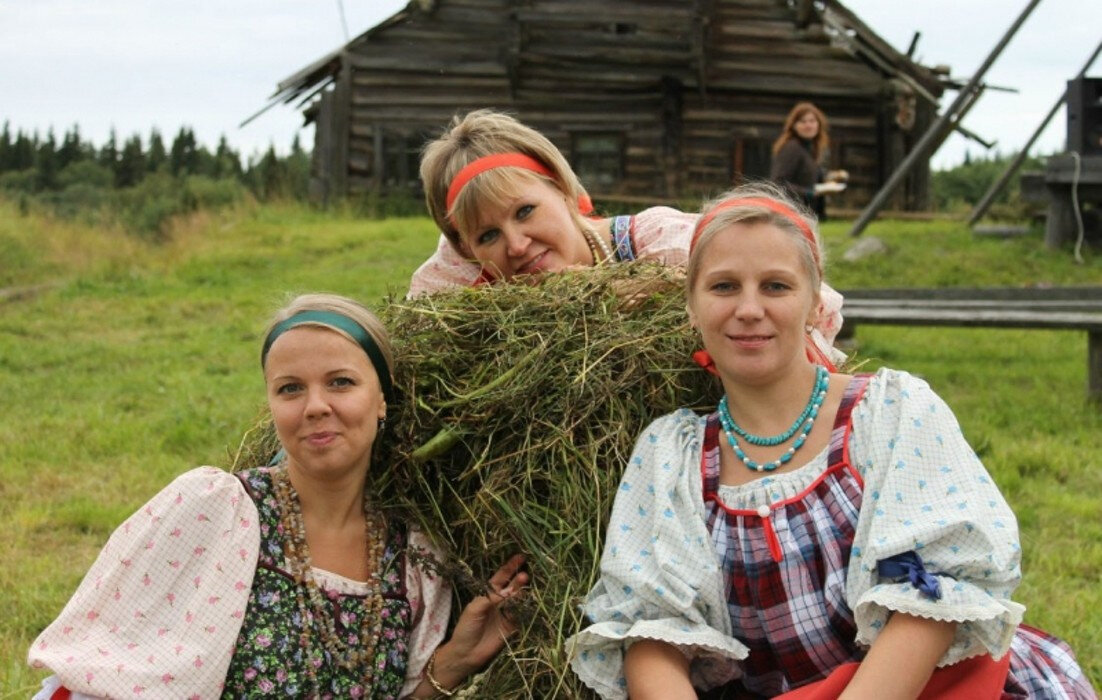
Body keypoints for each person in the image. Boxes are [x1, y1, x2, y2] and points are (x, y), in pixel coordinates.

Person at [566, 184, 1096, 699]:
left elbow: (930, 603)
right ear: (692, 307)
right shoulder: (672, 455)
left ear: (816, 305)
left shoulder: (891, 413)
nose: (749, 309)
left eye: (776, 285)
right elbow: (653, 634)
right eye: (724, 286)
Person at [28, 293, 528, 699]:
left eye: (341, 383)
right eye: (290, 389)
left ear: (382, 398)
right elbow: (107, 675)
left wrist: (454, 663)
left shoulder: (413, 558)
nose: (315, 407)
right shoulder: (216, 511)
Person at [410, 109, 844, 365]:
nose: (517, 244)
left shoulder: (665, 245)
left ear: (563, 190)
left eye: (525, 211)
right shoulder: (461, 286)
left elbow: (809, 304)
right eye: (489, 234)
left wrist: (668, 289)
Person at [770, 102, 848, 220]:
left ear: (818, 124)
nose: (808, 125)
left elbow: (806, 177)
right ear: (794, 125)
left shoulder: (810, 148)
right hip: (790, 215)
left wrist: (831, 178)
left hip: (805, 214)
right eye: (803, 121)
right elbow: (779, 183)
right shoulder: (792, 148)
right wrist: (809, 193)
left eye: (812, 121)